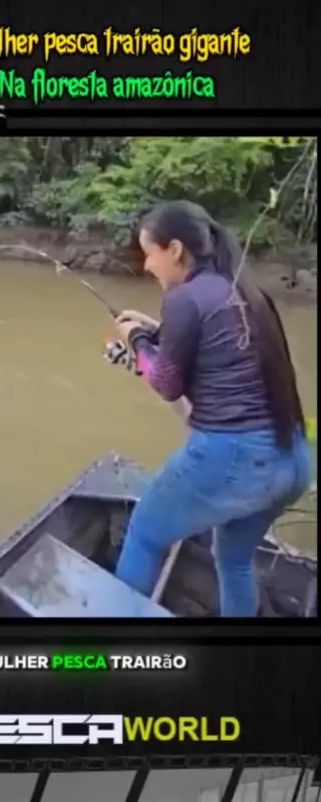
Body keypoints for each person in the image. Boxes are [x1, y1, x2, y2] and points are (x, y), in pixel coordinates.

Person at [114, 200, 309, 617]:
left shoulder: (184, 298)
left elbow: (166, 383)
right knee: (233, 559)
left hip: (235, 459)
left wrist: (136, 340)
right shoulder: (244, 289)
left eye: (149, 254)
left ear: (175, 250)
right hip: (292, 460)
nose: (147, 266)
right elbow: (218, 349)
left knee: (145, 533)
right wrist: (155, 333)